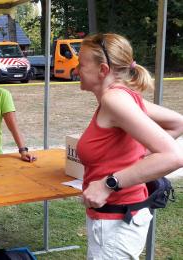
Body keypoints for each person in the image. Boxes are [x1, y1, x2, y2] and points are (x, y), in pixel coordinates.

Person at [76, 33, 183, 259]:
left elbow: (173, 156)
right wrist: (138, 154)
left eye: (81, 64)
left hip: (117, 223)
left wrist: (109, 184)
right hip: (114, 219)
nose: (76, 69)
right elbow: (177, 123)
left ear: (103, 70)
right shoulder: (123, 97)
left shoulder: (114, 99)